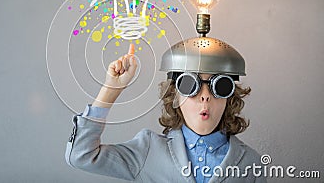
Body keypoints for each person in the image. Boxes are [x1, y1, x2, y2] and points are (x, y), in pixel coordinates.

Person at [65, 38, 267, 183]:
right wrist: (111, 89)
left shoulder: (250, 162)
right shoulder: (149, 151)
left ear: (229, 97)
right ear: (175, 95)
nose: (205, 96)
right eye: (190, 85)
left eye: (219, 87)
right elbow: (81, 156)